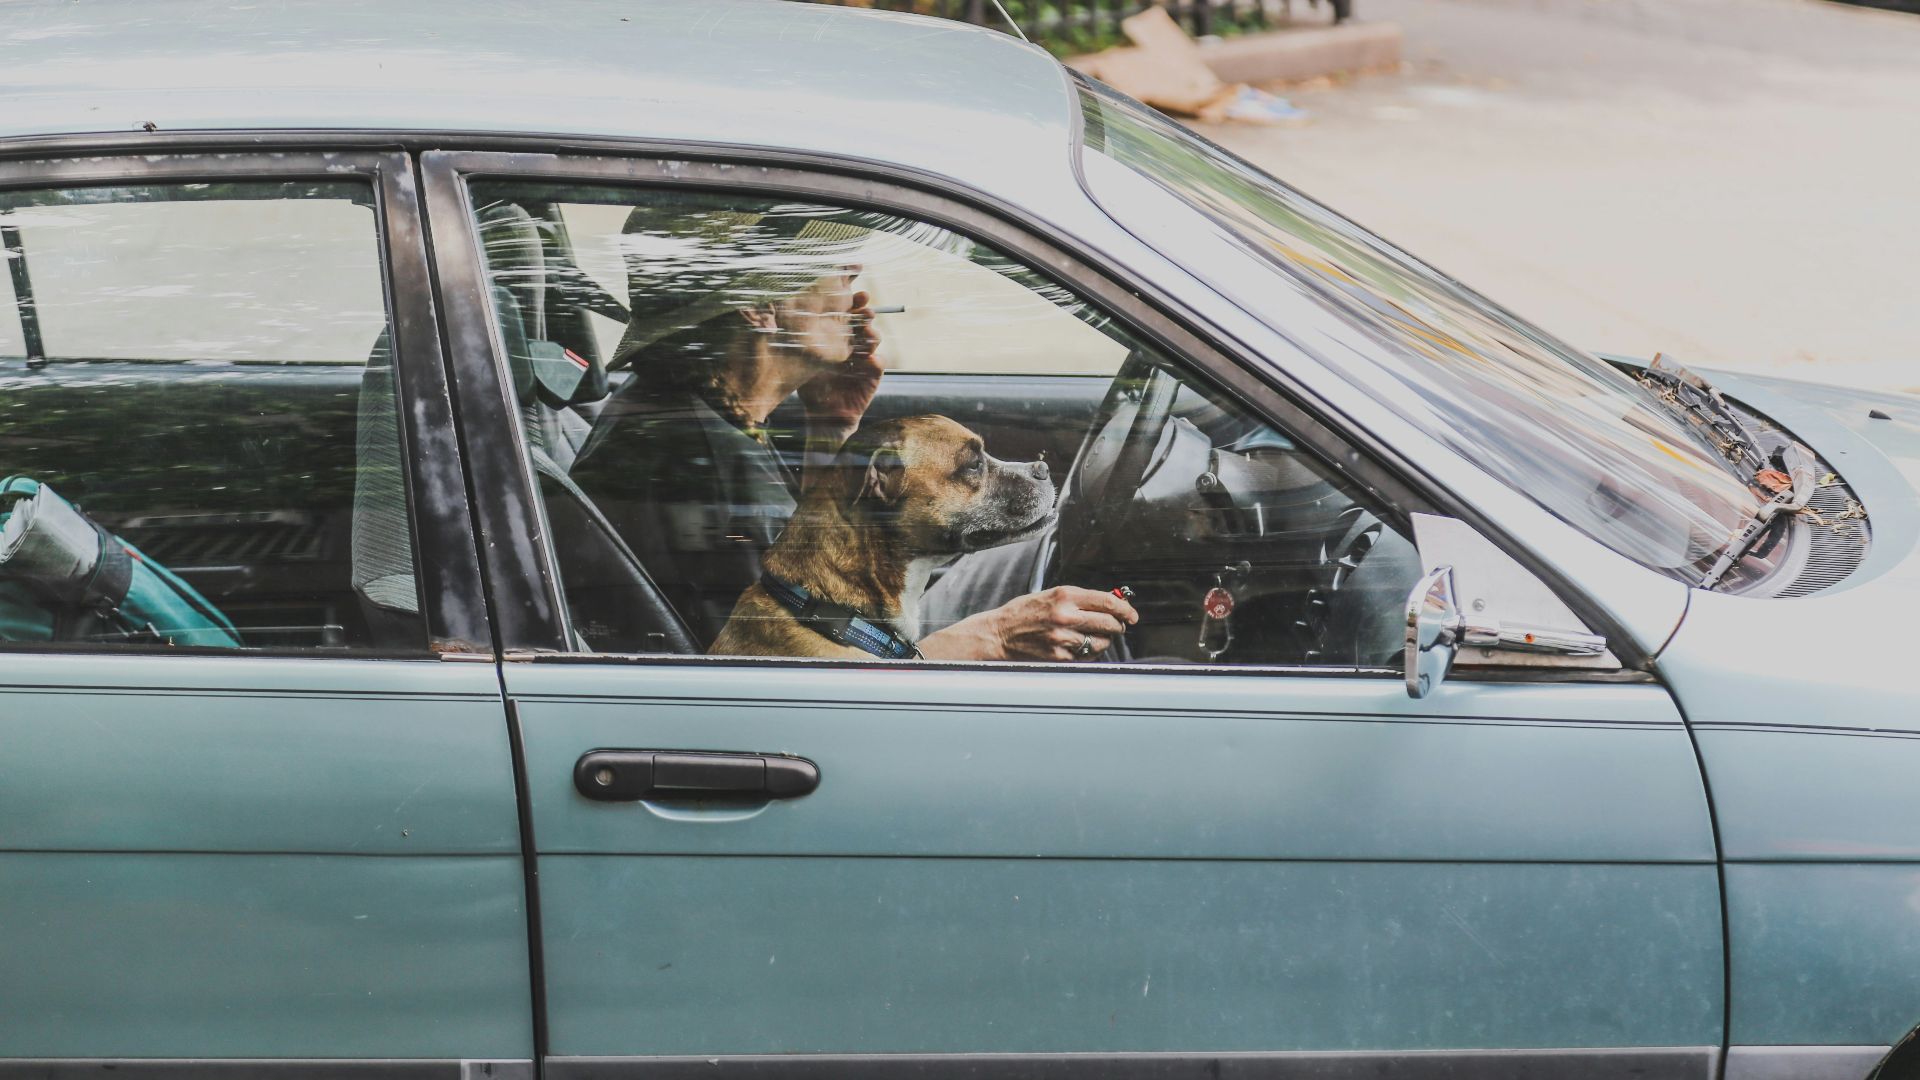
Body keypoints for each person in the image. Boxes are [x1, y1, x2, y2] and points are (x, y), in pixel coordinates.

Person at [565, 203, 1135, 661]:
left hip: (864, 640)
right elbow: (775, 663)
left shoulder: (703, 419)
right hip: (856, 680)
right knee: (1051, 559)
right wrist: (990, 640)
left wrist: (831, 425)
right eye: (832, 261)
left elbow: (813, 580)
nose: (852, 275)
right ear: (762, 307)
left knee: (1039, 550)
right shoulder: (692, 464)